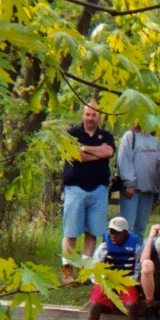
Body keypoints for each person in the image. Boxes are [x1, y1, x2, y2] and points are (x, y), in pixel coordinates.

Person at [60, 102, 116, 286]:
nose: (91, 118)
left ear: (99, 117)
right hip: (75, 188)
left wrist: (84, 148)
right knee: (71, 232)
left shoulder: (106, 135)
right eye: (88, 114)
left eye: (94, 115)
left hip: (99, 189)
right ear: (83, 115)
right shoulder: (73, 133)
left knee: (93, 232)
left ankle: (85, 269)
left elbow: (108, 151)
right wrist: (97, 154)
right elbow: (74, 155)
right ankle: (67, 271)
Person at [81, 215, 143, 320]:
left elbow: (137, 270)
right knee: (95, 305)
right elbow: (94, 269)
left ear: (126, 233)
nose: (113, 236)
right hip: (106, 282)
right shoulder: (103, 248)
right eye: (111, 232)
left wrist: (126, 282)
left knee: (131, 305)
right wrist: (103, 282)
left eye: (117, 233)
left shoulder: (136, 249)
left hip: (126, 281)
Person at [115, 120, 160, 235]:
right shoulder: (130, 136)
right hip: (132, 191)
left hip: (149, 190)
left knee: (141, 228)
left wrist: (158, 191)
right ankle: (125, 252)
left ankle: (139, 252)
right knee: (127, 226)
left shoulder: (156, 139)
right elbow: (124, 160)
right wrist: (129, 184)